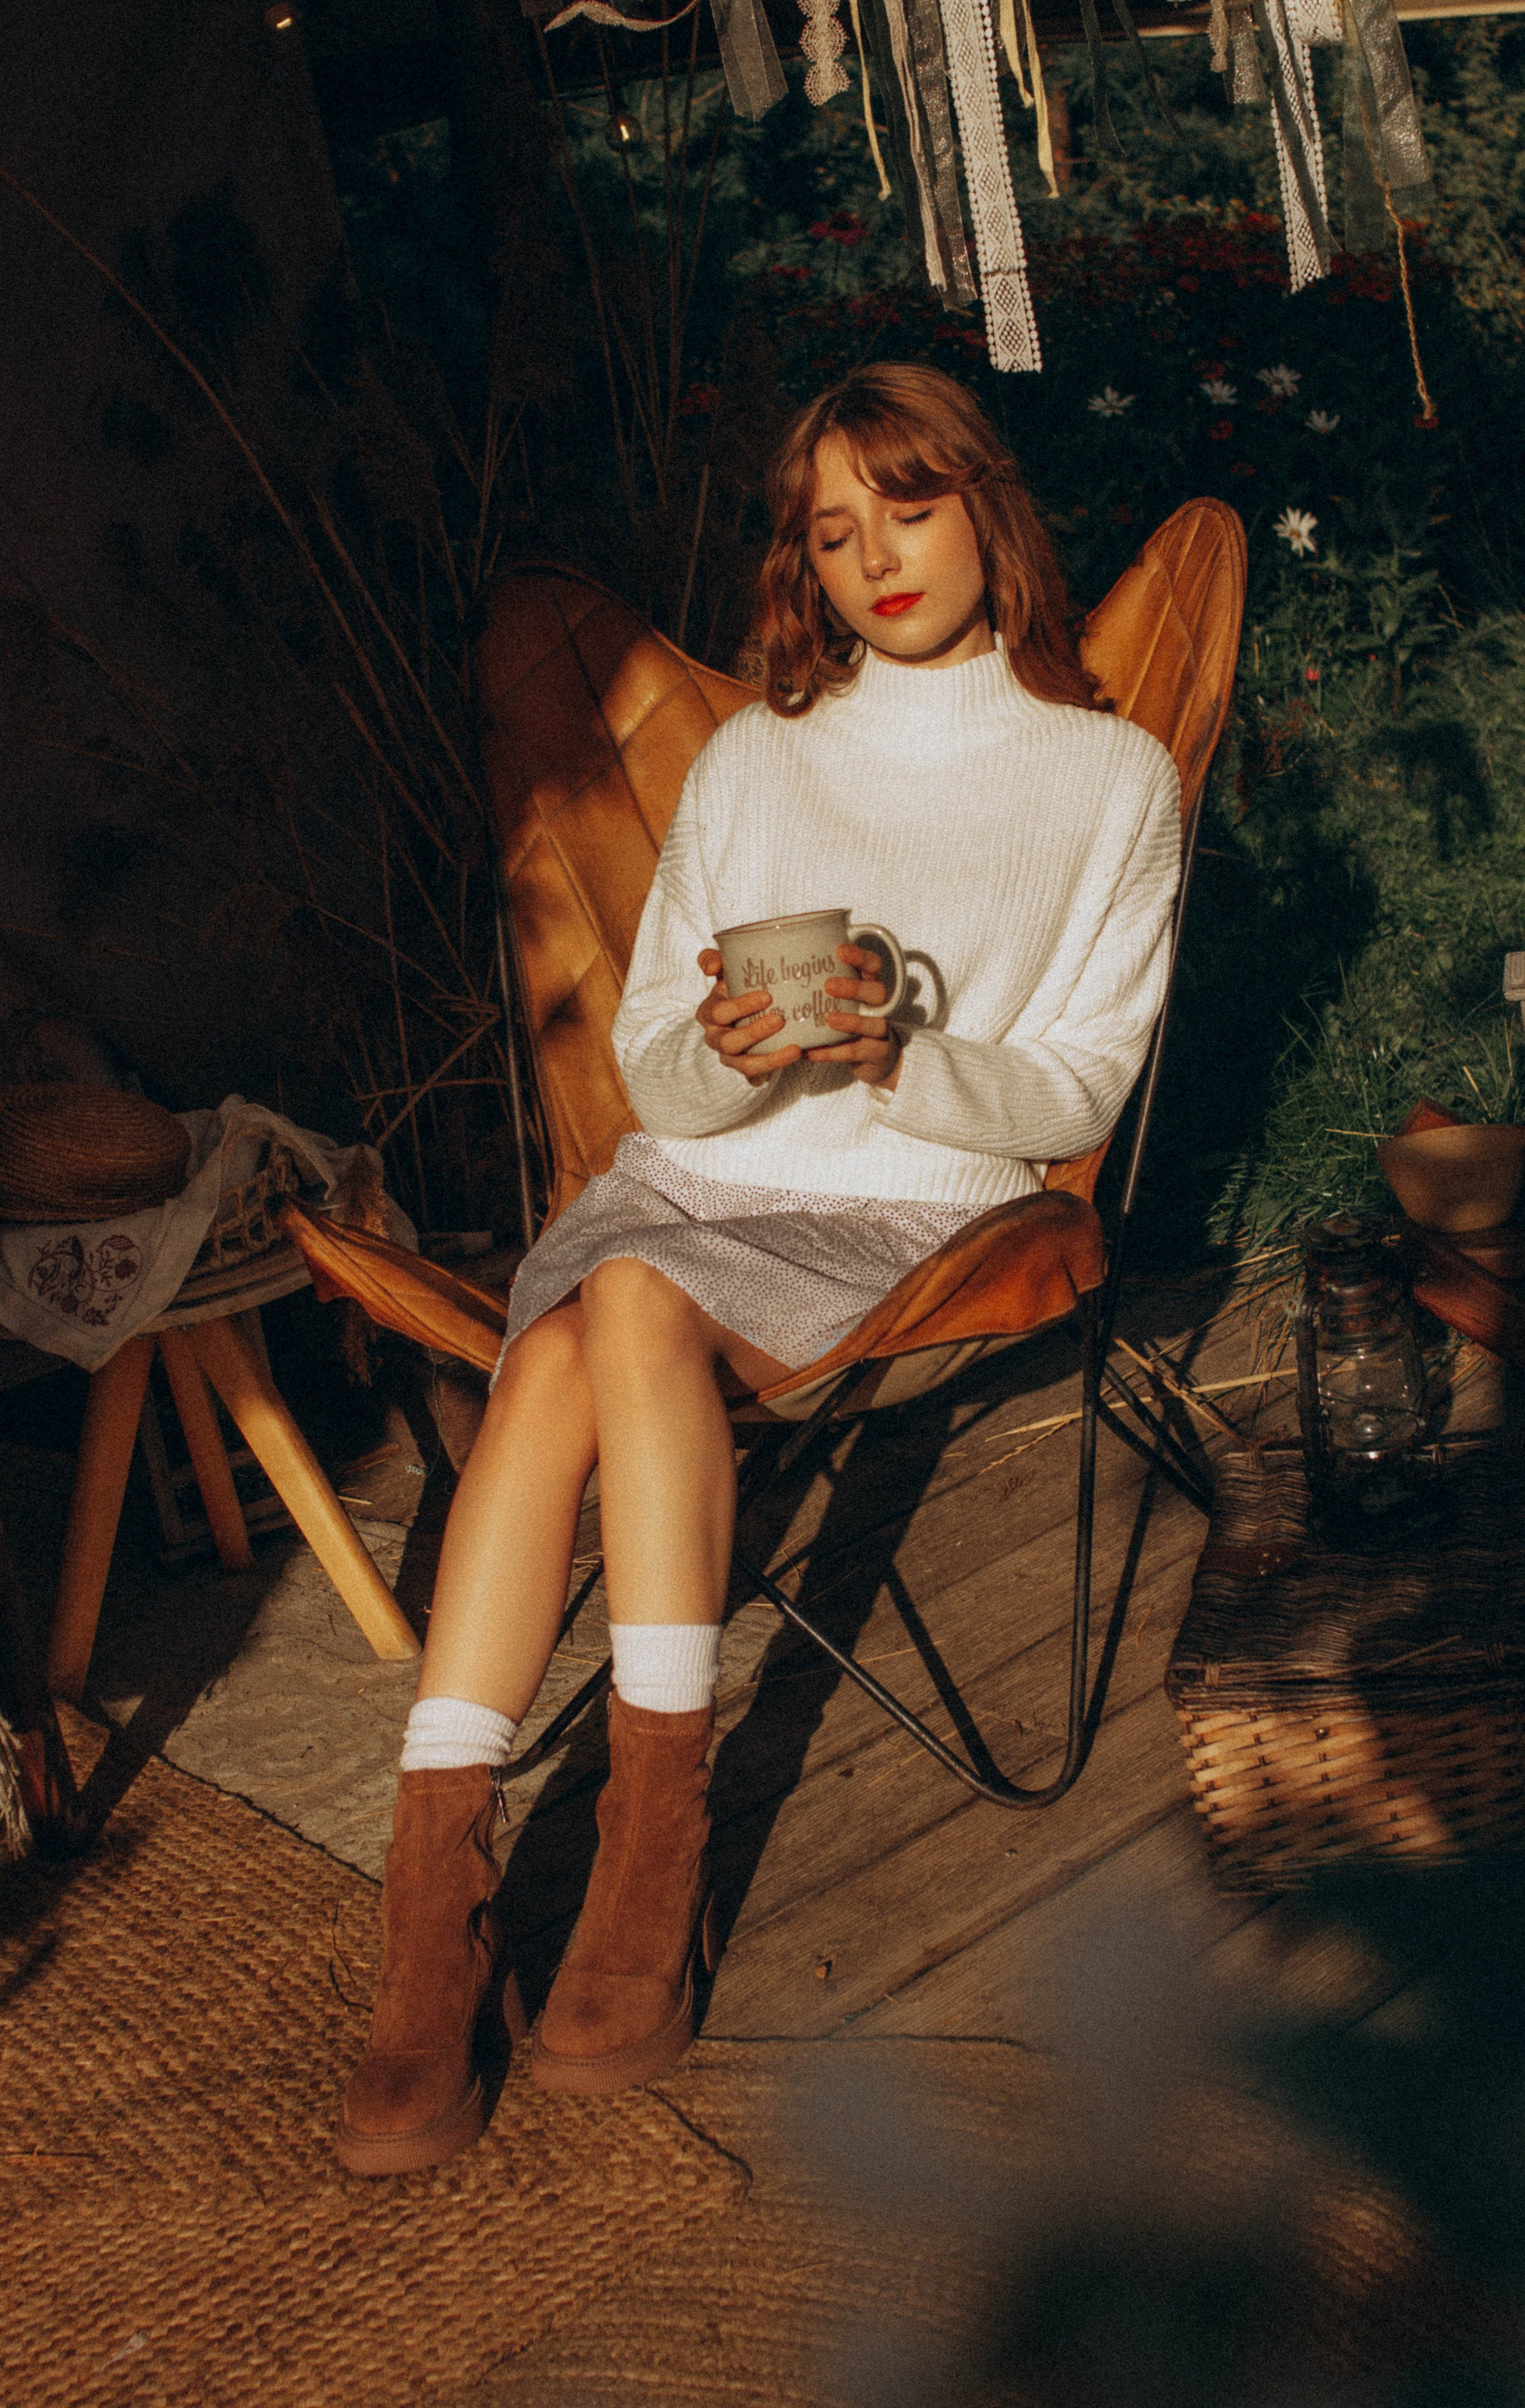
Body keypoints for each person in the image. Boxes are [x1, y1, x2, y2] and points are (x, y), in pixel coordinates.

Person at [335, 362, 1182, 2176]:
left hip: (914, 1214)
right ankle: (443, 1905)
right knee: (582, 1324)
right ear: (804, 560)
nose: (878, 557)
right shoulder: (756, 758)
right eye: (834, 529)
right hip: (692, 1179)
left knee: (602, 1317)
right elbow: (658, 1076)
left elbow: (1077, 1090)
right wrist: (732, 1052)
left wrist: (900, 1057)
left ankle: (638, 1859)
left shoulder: (1109, 778)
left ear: (985, 507)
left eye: (910, 507)